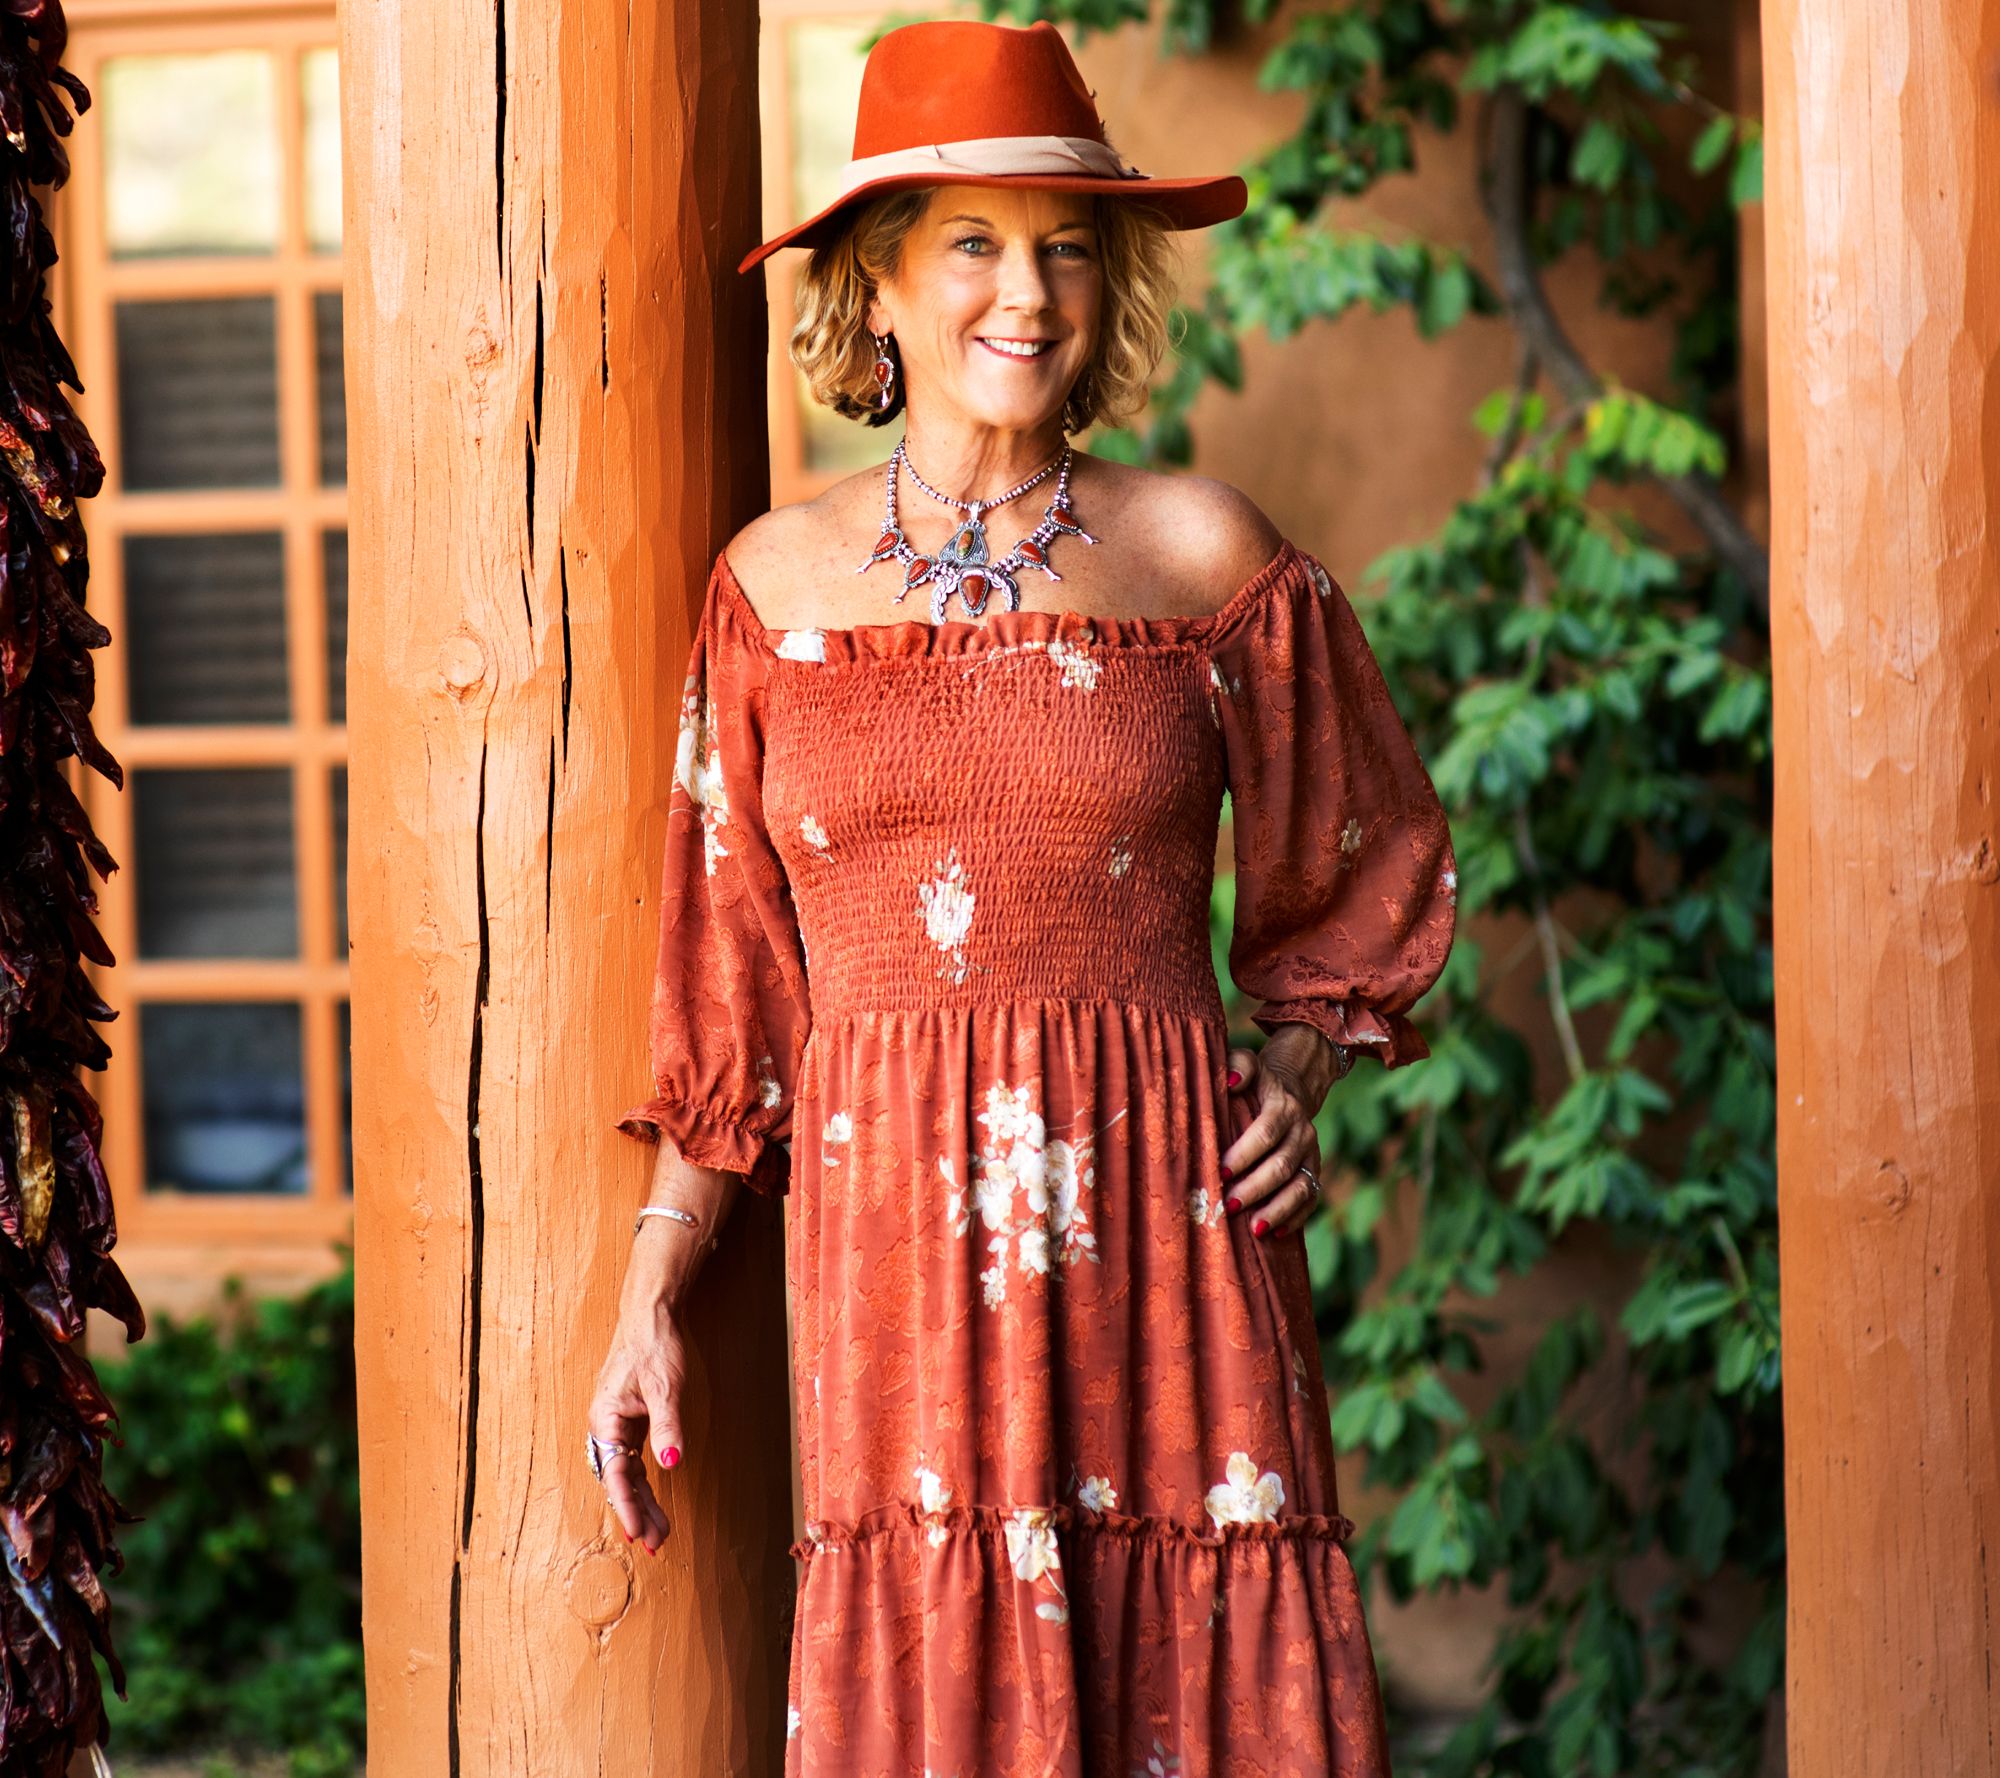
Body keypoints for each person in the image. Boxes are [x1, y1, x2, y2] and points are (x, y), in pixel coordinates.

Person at [591, 17, 1456, 1775]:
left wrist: (1296, 1076)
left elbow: (1370, 860)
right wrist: (648, 1293)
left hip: (1175, 1260)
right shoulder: (771, 592)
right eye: (974, 241)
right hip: (895, 1288)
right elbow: (733, 1001)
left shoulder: (1203, 555)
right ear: (879, 282)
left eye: (1067, 246)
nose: (1028, 291)